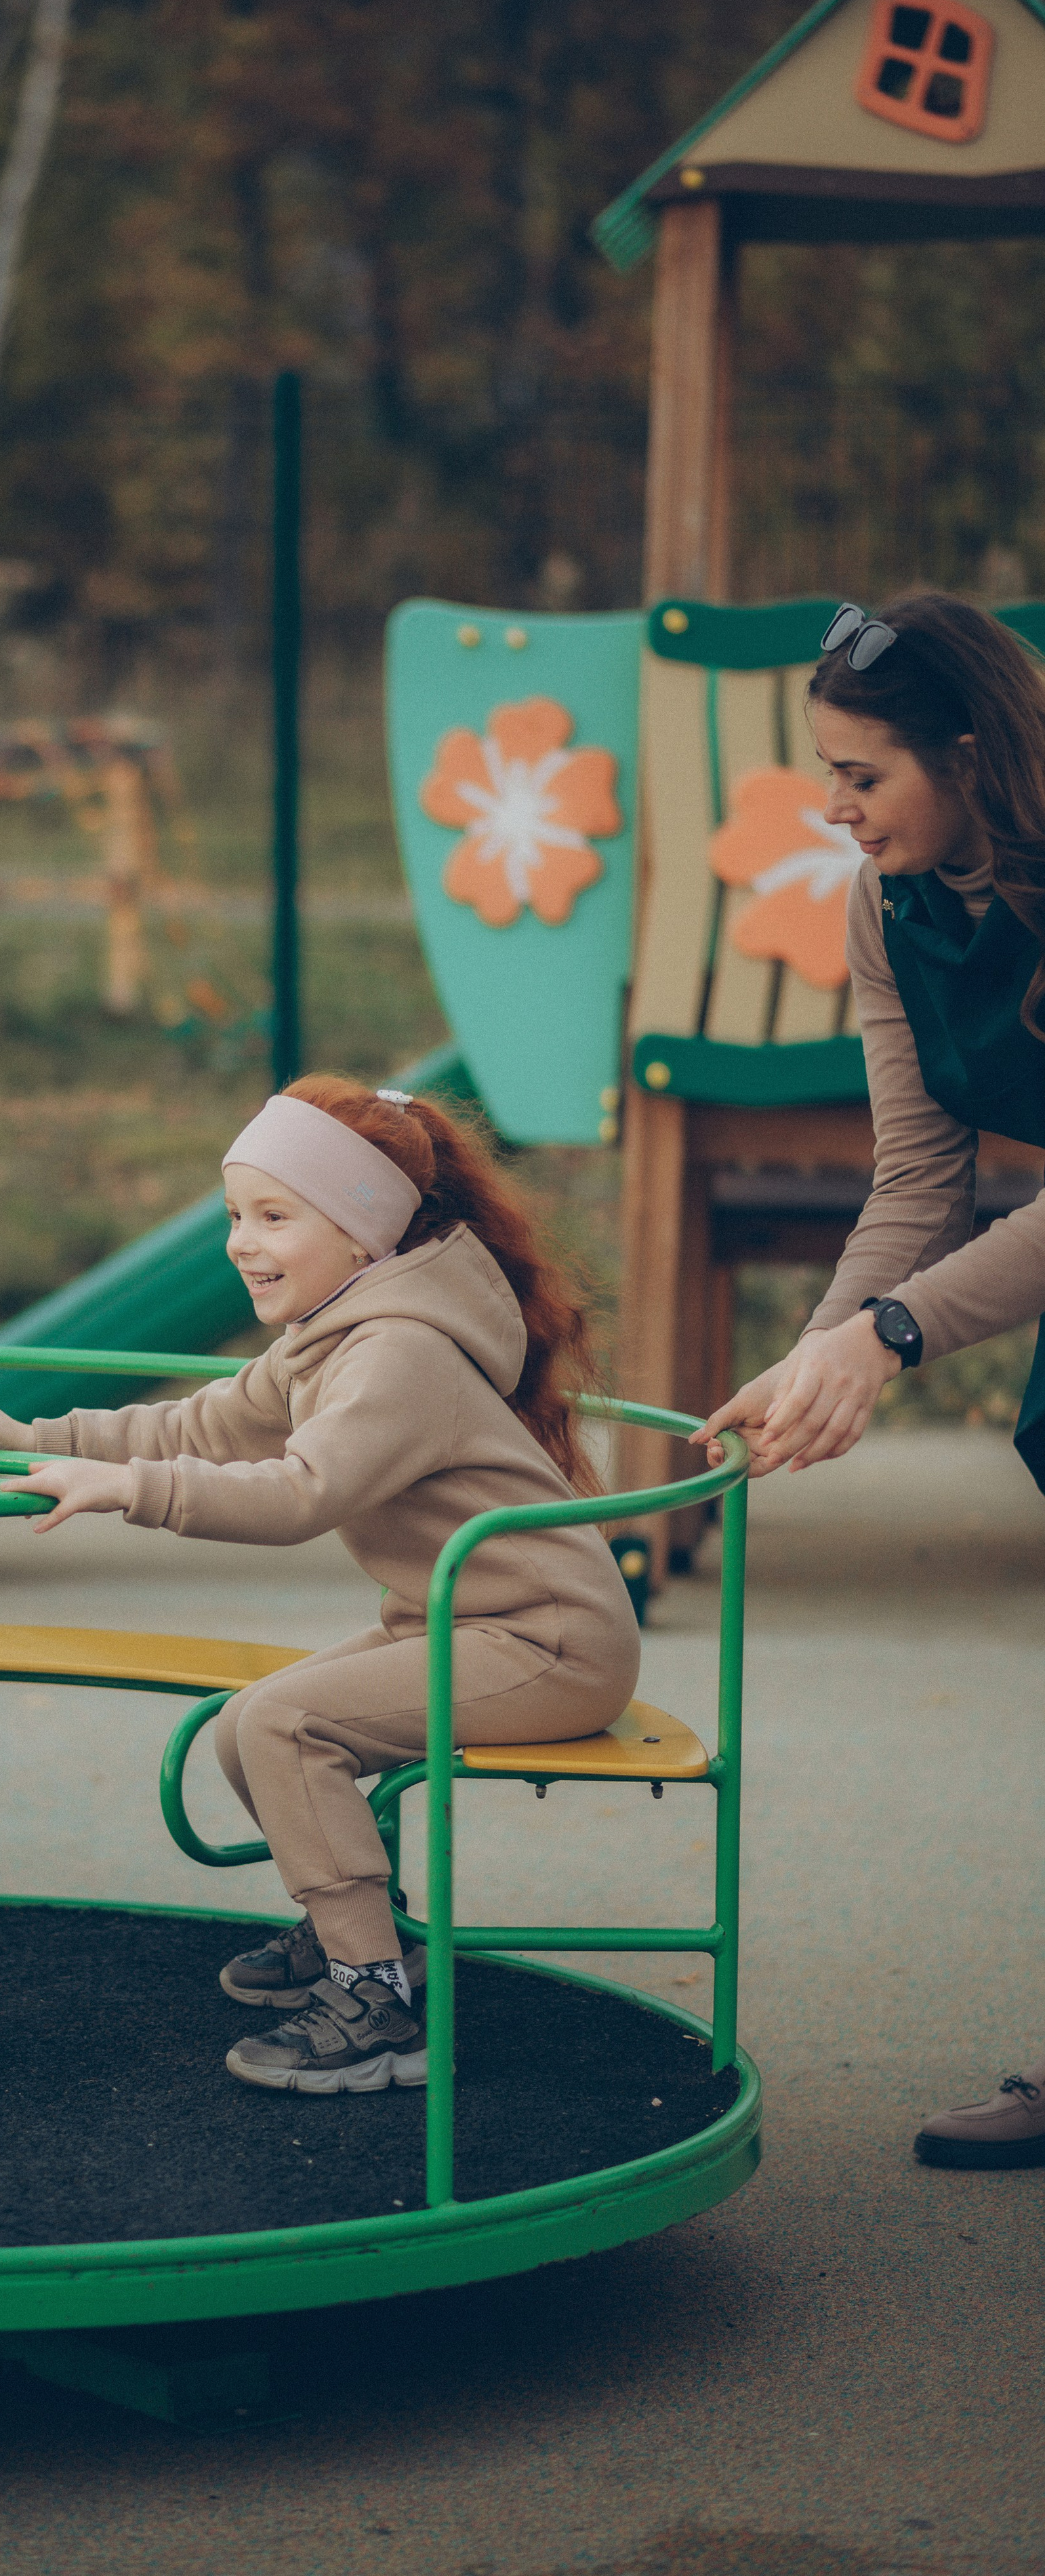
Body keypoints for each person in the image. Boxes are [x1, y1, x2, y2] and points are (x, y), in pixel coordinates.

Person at [0, 1074, 640, 2095]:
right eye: (234, 1216)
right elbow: (204, 1424)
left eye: (273, 1217)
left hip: (548, 1645)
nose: (240, 1244)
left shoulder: (400, 1353)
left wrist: (129, 1491)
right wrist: (31, 1435)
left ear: (362, 1235)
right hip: (464, 1623)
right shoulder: (332, 1330)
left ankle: (376, 2003)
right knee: (242, 1726)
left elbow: (303, 1492)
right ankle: (368, 1935)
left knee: (284, 1728)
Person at [695, 590, 1045, 2171]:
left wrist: (891, 1336)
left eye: (860, 774)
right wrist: (816, 1353)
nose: (829, 807)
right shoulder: (886, 906)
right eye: (823, 772)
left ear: (966, 756)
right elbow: (919, 1179)